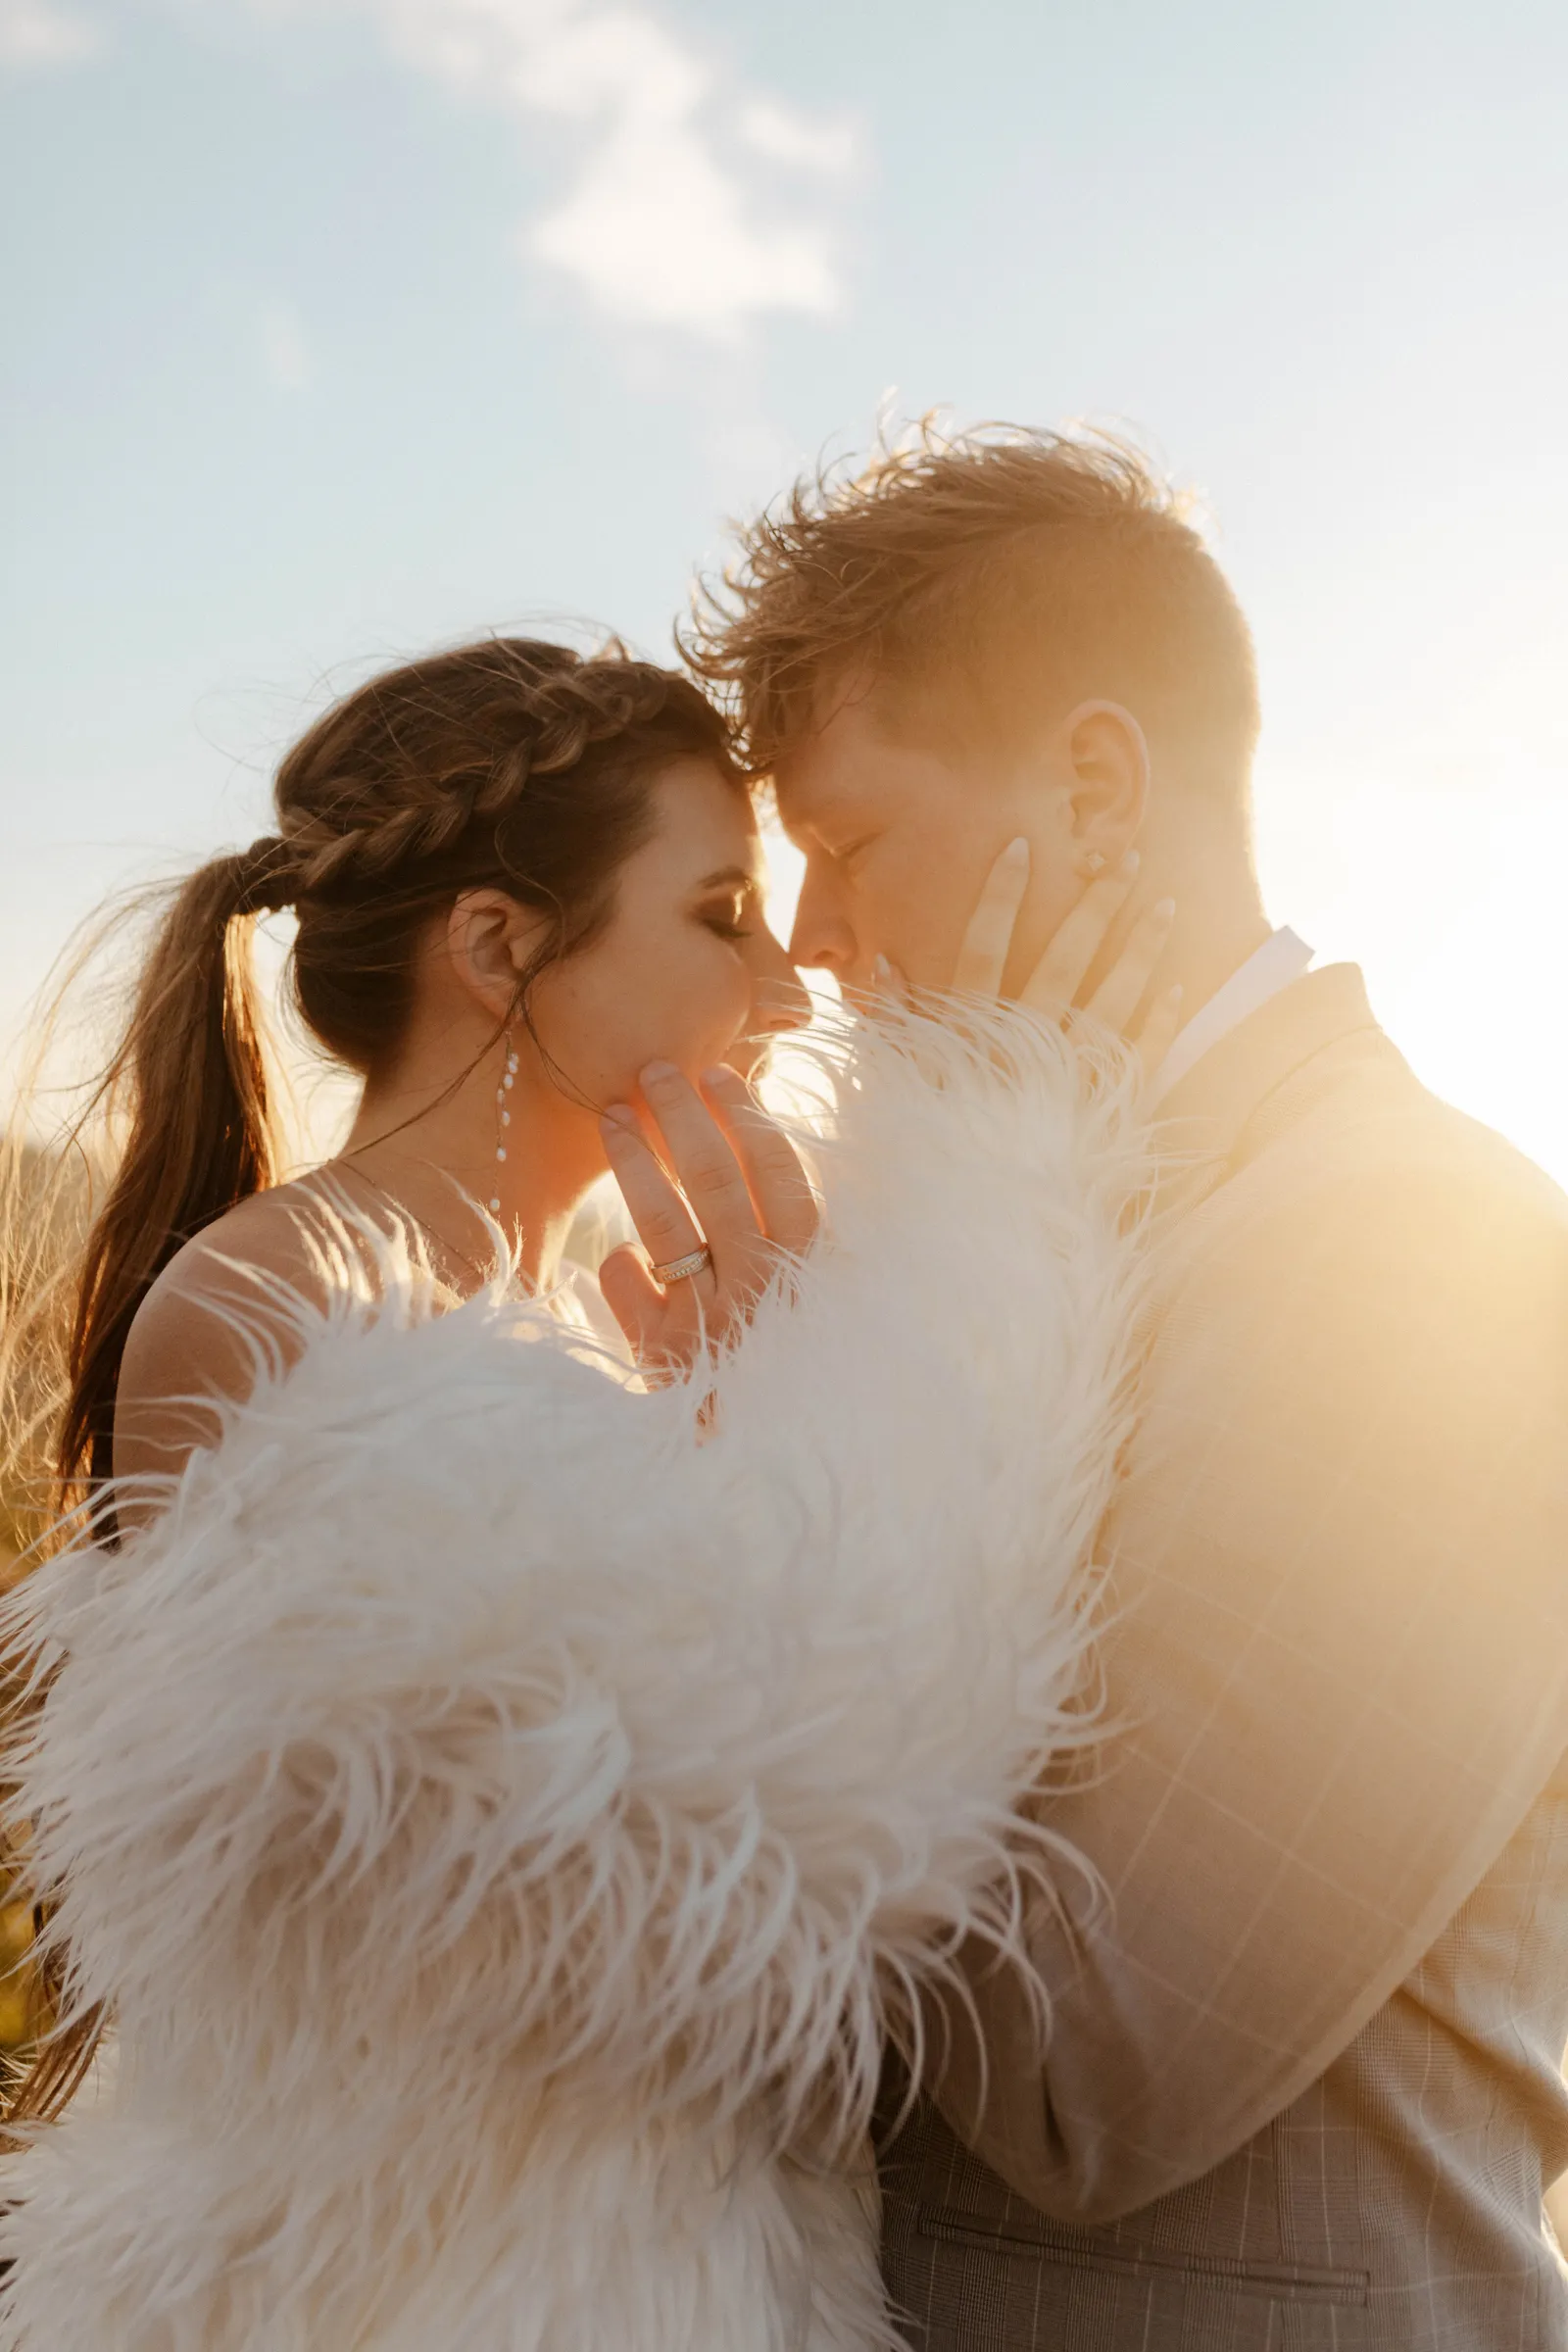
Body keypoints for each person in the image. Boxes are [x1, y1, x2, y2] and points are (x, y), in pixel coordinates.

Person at [0, 632, 1177, 2349]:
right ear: (498, 946)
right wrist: (993, 1208)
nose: (786, 988)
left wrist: (772, 1395)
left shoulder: (605, 1310)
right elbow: (736, 1868)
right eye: (719, 915)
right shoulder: (281, 1305)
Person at [689, 421, 1568, 2349]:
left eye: (845, 848)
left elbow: (1082, 2065)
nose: (815, 947)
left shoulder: (1411, 1251)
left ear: (1093, 786)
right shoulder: (1059, 1237)